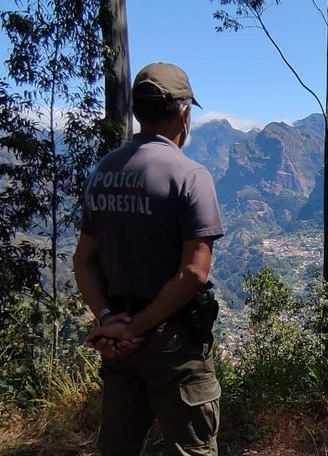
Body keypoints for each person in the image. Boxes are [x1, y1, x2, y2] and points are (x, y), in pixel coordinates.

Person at [73, 62, 224, 456]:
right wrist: (138, 328)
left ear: (138, 112)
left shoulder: (103, 171)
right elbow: (193, 272)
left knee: (118, 447)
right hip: (171, 343)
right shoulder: (191, 175)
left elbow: (83, 261)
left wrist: (111, 322)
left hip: (120, 343)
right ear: (184, 113)